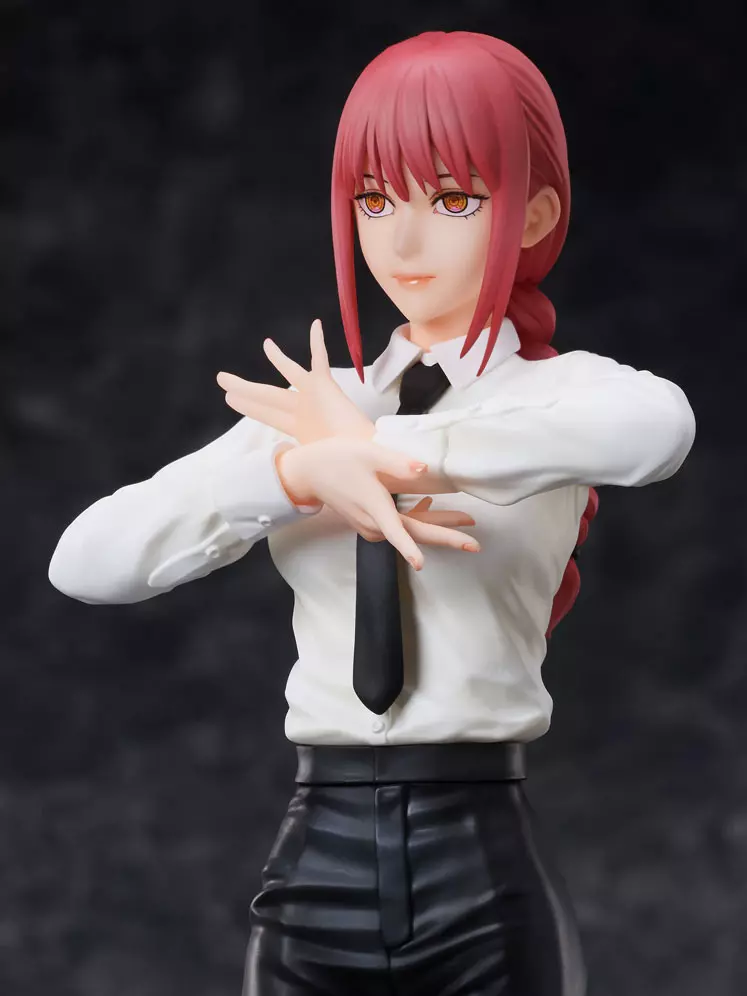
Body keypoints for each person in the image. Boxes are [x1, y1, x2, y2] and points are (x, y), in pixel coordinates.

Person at [48, 30, 696, 996]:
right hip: (317, 851)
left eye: (453, 200)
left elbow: (657, 430)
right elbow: (85, 561)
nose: (403, 242)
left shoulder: (552, 398)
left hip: (478, 855)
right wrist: (301, 475)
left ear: (533, 213)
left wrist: (386, 455)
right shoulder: (316, 410)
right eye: (375, 200)